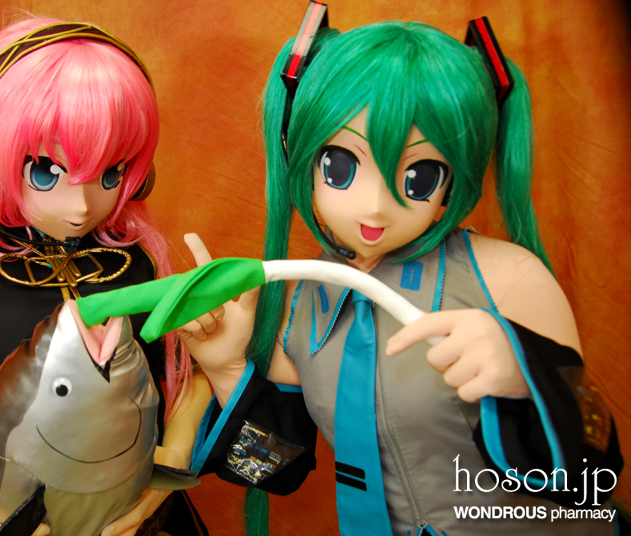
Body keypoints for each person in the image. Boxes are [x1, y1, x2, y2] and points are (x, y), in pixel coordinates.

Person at [179, 9, 623, 536]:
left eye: (418, 176)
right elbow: (279, 468)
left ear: (453, 179)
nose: (375, 206)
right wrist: (227, 369)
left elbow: (592, 478)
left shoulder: (507, 279)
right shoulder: (303, 301)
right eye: (341, 166)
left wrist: (527, 378)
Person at [0, 17, 210, 536]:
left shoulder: (142, 264)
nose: (81, 206)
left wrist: (174, 455)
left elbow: (185, 378)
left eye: (110, 172)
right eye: (47, 171)